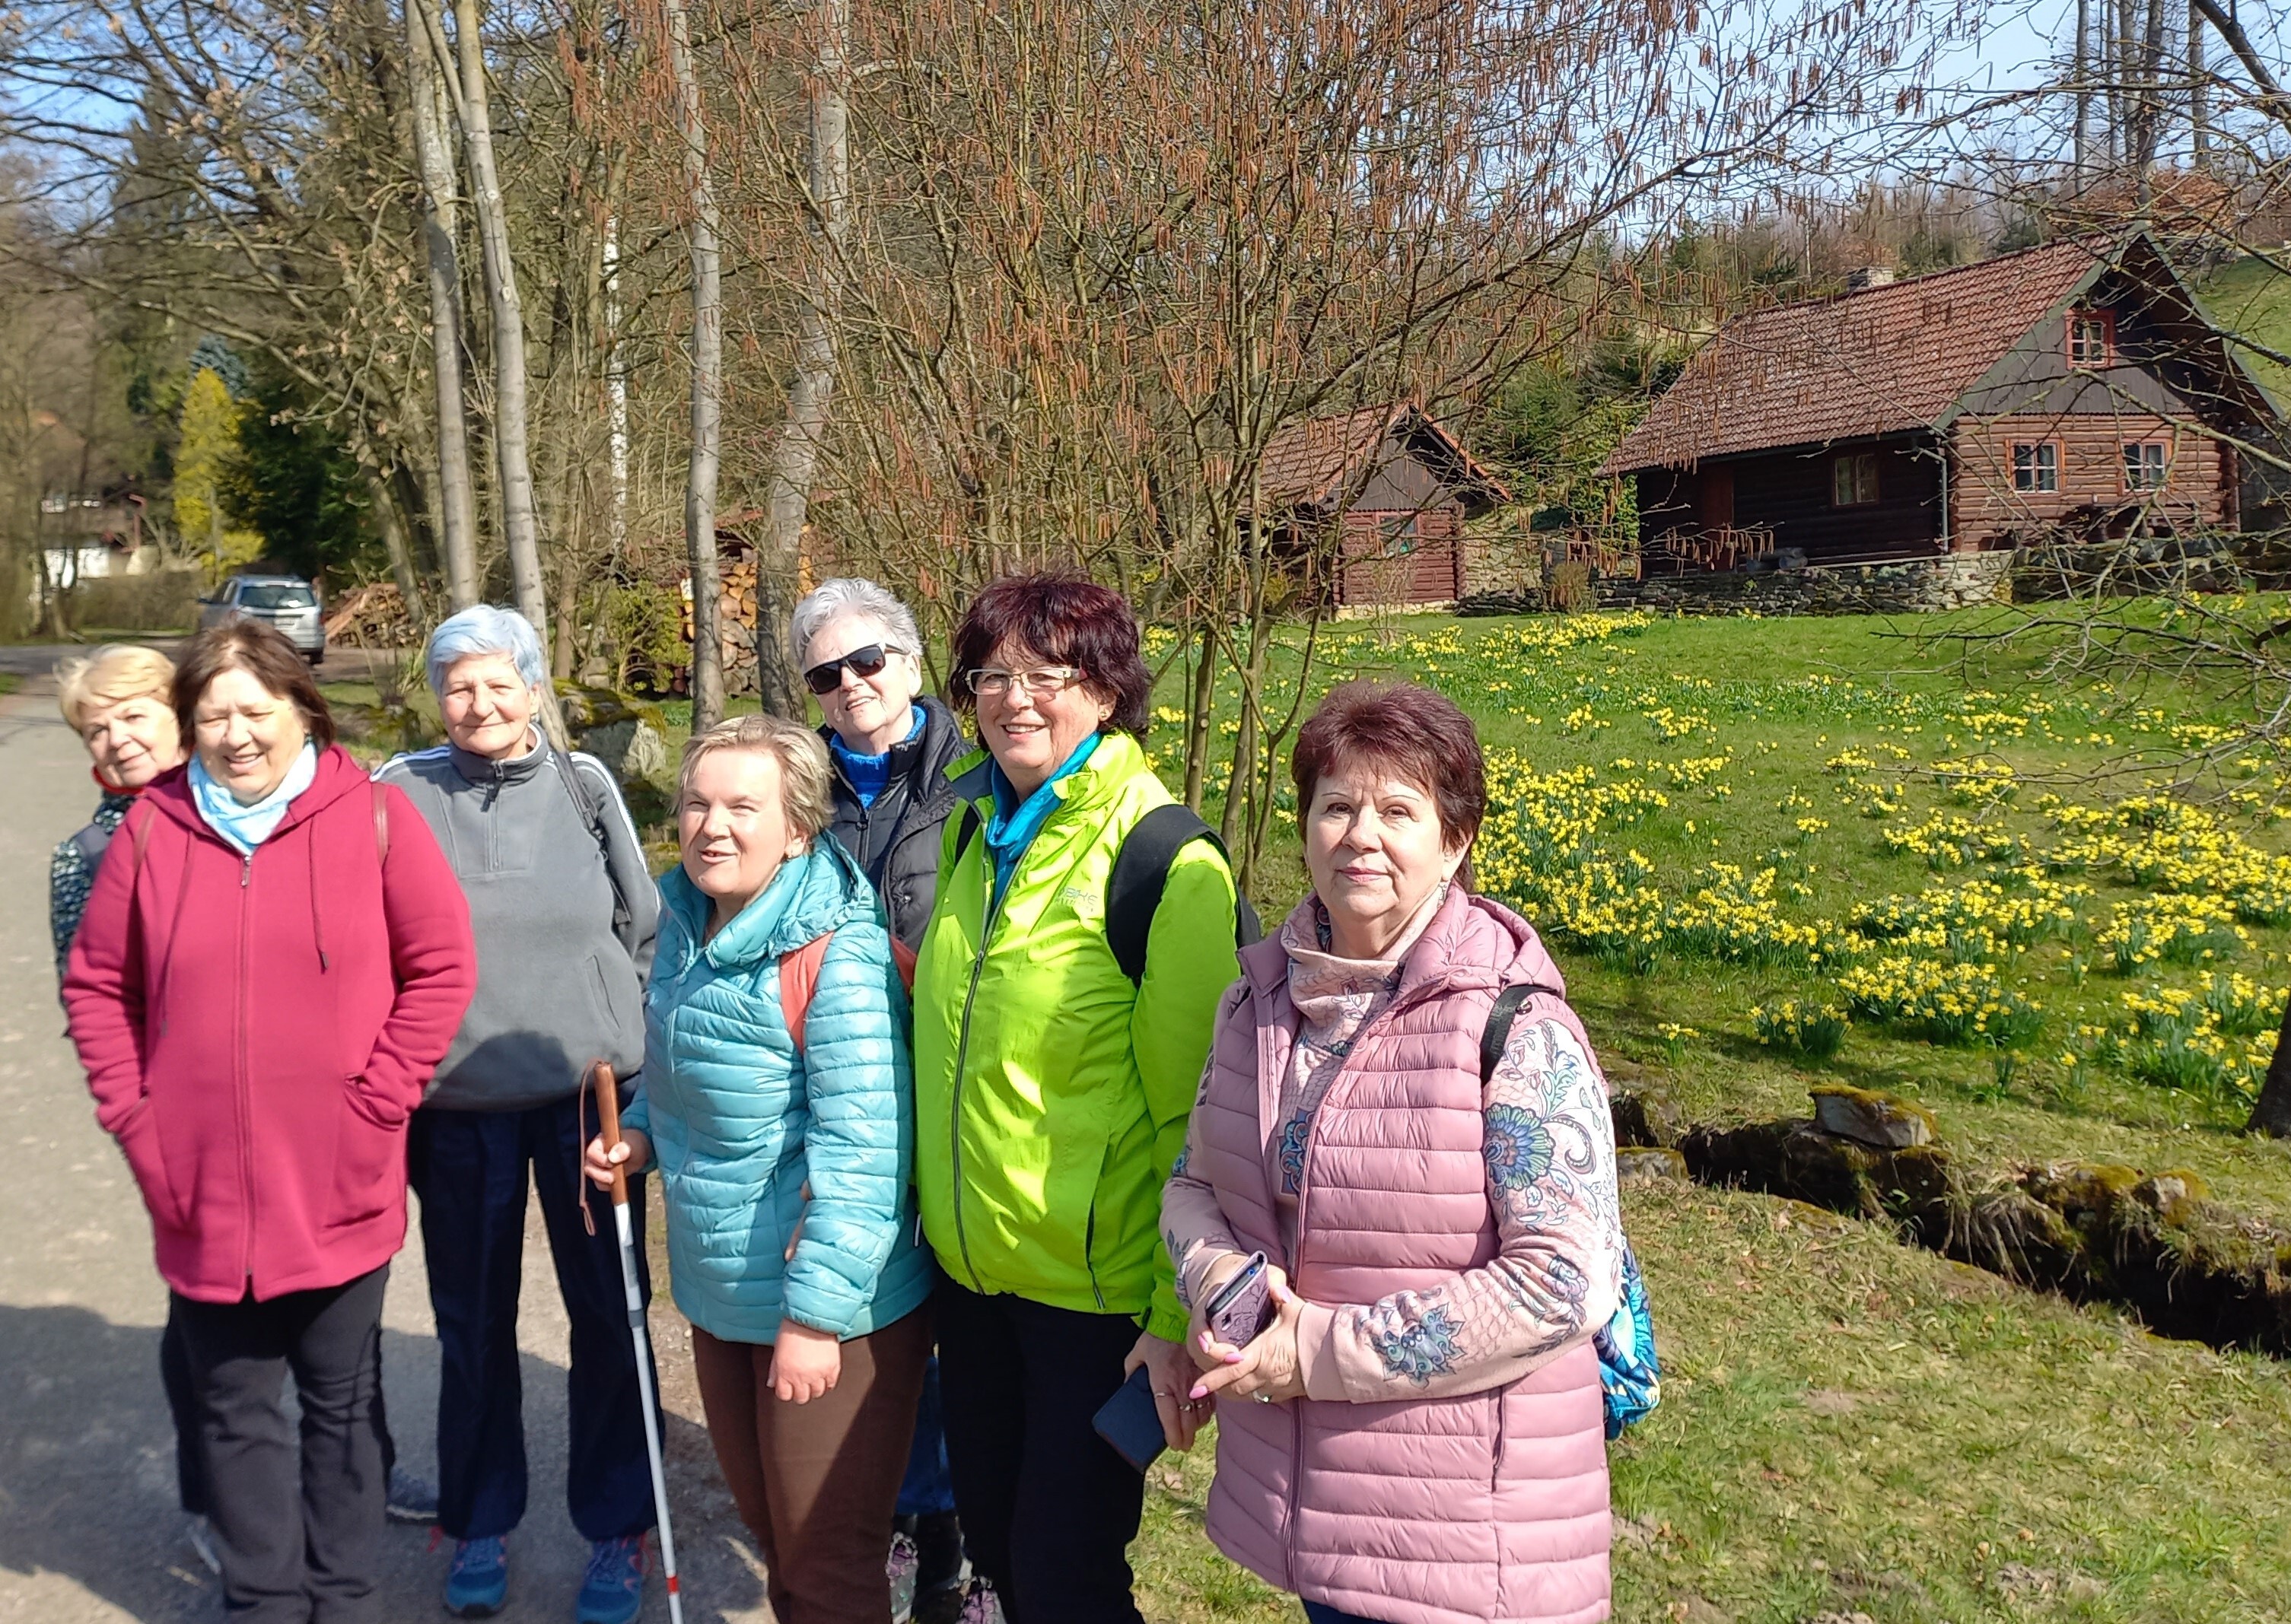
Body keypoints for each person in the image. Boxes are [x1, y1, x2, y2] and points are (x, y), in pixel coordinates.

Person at [1161, 682, 1623, 1624]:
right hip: (1317, 1510)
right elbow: (1192, 1183)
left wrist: (1315, 1351)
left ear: (1454, 840)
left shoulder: (1514, 1026)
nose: (1359, 836)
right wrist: (1223, 1287)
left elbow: (1565, 1281)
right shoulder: (1255, 1003)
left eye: (1398, 811)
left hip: (1465, 1538)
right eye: (1335, 806)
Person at [64, 620, 476, 1624]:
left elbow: (441, 968)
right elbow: (98, 986)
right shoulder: (153, 829)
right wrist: (137, 1119)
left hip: (340, 1177)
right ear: (189, 724)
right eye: (213, 715)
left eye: (255, 710)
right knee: (233, 1408)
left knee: (340, 1404)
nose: (236, 734)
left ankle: (345, 1597)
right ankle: (263, 1600)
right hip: (197, 1186)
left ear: (302, 708)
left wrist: (378, 1100)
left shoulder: (373, 815)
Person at [910, 572, 1242, 1623]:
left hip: (1094, 1304)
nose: (1013, 698)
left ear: (1104, 689)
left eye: (1046, 674)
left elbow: (1199, 1119)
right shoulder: (973, 830)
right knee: (999, 1551)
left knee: (1067, 1579)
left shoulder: (1164, 861)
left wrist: (1170, 1316)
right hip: (971, 1281)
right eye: (990, 675)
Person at [584, 714, 931, 1624]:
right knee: (776, 1538)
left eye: (743, 806)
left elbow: (864, 1156)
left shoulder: (836, 952)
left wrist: (814, 1319)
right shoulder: (688, 923)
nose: (713, 826)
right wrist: (637, 1136)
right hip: (720, 1292)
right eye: (697, 803)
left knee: (826, 1564)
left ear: (798, 828)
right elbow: (679, 1080)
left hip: (829, 1309)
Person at [377, 607, 664, 1624]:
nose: (480, 702)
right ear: (435, 696)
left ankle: (619, 1524)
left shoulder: (585, 786)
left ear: (534, 688)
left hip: (587, 1099)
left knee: (611, 1318)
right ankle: (479, 1515)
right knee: (471, 1325)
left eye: (499, 682)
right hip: (455, 1106)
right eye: (458, 685)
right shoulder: (396, 791)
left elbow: (642, 922)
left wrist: (616, 1027)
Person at [791, 578, 973, 1616]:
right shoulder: (797, 790)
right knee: (877, 1316)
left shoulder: (977, 780)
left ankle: (956, 1527)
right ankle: (905, 1516)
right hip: (849, 1096)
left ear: (909, 661)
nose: (851, 684)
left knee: (960, 1330)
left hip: (958, 1091)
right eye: (827, 673)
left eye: (868, 660)